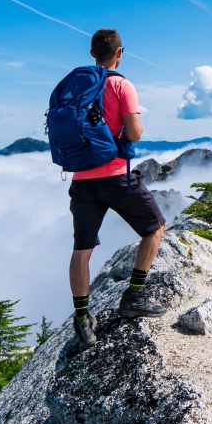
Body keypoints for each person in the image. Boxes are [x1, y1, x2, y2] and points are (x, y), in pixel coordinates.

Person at [68, 28, 166, 345]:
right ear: (120, 53)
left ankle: (82, 321)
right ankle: (133, 297)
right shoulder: (122, 85)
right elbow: (134, 133)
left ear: (92, 53)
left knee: (81, 251)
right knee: (155, 228)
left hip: (82, 180)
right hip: (114, 176)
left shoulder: (77, 88)